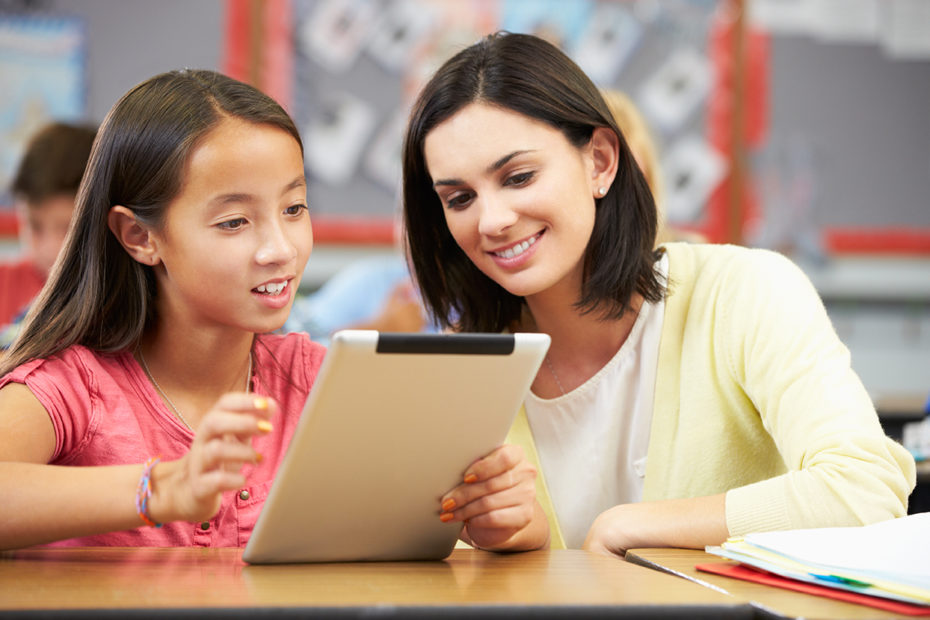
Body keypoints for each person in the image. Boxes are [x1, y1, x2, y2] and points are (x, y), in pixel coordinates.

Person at [401, 32, 916, 556]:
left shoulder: (741, 292)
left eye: (519, 176)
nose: (491, 221)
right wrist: (519, 541)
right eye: (460, 197)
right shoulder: (465, 367)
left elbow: (865, 490)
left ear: (600, 162)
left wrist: (633, 526)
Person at [0, 68, 547, 552]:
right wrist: (163, 488)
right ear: (140, 236)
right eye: (234, 221)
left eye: (294, 208)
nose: (280, 249)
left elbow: (458, 515)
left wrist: (508, 522)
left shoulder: (323, 381)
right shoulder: (75, 386)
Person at [1, 122, 97, 338]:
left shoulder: (118, 306)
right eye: (34, 225)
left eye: (69, 229)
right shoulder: (4, 282)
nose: (49, 249)